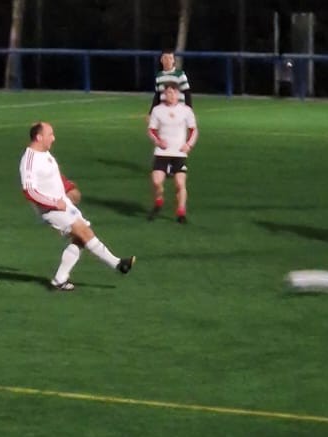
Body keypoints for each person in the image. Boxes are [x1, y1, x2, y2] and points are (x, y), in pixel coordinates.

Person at [19, 121, 136, 291]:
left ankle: (59, 279)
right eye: (50, 134)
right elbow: (29, 191)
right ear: (39, 137)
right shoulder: (29, 160)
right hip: (51, 209)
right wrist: (54, 203)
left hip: (62, 204)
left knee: (80, 239)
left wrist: (69, 188)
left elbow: (55, 175)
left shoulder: (45, 154)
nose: (54, 138)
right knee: (85, 233)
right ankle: (118, 264)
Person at [147, 84, 198, 222]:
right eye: (168, 92)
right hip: (162, 152)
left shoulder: (186, 110)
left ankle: (181, 212)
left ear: (178, 94)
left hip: (179, 153)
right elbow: (151, 130)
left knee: (180, 184)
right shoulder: (158, 110)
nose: (171, 95)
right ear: (165, 94)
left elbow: (193, 129)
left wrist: (189, 145)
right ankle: (159, 200)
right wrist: (158, 142)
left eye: (174, 92)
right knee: (156, 182)